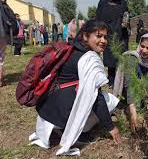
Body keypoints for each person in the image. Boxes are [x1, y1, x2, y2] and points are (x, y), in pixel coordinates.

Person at [30, 20, 122, 155]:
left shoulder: (73, 48)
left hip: (47, 108)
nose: (103, 40)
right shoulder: (88, 59)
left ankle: (61, 126)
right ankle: (72, 131)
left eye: (105, 37)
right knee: (109, 101)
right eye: (98, 36)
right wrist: (111, 128)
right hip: (62, 111)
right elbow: (97, 99)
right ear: (85, 36)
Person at [114, 33, 148, 130]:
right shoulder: (132, 57)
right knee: (135, 109)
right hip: (130, 92)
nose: (144, 50)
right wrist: (132, 107)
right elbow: (129, 83)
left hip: (144, 91)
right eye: (142, 46)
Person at [96, 0, 130, 86]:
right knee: (110, 59)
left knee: (121, 58)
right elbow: (98, 19)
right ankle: (111, 81)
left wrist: (126, 23)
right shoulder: (103, 3)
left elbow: (127, 17)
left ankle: (121, 82)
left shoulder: (123, 3)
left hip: (121, 35)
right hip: (108, 35)